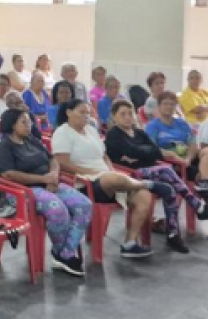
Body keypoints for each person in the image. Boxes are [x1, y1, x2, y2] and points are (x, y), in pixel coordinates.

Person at [106, 100, 208, 253]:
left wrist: (140, 153)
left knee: (170, 190)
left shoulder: (138, 132)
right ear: (114, 117)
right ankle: (199, 206)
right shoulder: (114, 135)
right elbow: (135, 151)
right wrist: (141, 153)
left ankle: (173, 234)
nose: (127, 117)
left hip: (148, 170)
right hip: (130, 175)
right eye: (122, 114)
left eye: (130, 114)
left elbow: (154, 151)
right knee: (166, 170)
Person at [0, 108, 91, 276]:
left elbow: (53, 159)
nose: (29, 125)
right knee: (57, 209)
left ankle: (64, 253)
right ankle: (63, 255)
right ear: (12, 125)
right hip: (22, 191)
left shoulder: (32, 140)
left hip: (48, 183)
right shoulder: (4, 146)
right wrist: (43, 180)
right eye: (23, 122)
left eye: (29, 121)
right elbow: (8, 174)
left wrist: (53, 175)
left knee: (84, 205)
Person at [51, 99, 154, 259]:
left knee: (144, 196)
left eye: (88, 112)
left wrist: (110, 170)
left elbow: (104, 155)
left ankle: (130, 243)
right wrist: (90, 172)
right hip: (85, 182)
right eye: (81, 112)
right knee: (115, 180)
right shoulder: (62, 132)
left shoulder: (91, 130)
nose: (86, 115)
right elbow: (63, 163)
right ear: (69, 112)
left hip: (106, 175)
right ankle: (144, 184)